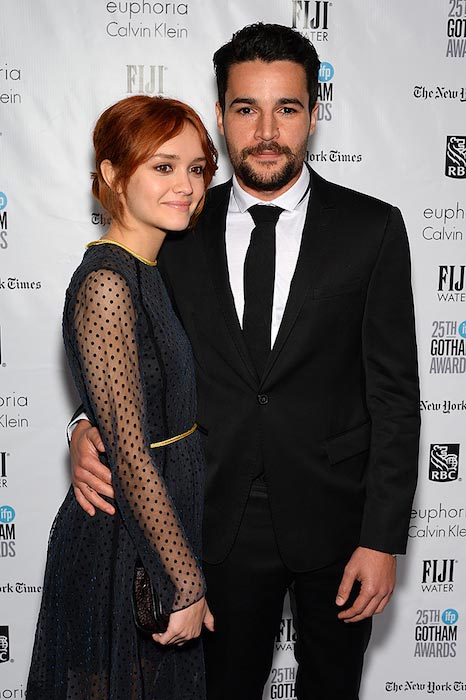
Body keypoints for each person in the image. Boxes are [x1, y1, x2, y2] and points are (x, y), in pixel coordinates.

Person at [69, 23, 420, 700]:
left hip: (337, 521)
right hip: (211, 517)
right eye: (245, 108)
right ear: (223, 115)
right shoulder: (175, 226)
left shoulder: (372, 228)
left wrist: (383, 540)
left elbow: (396, 396)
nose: (267, 130)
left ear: (314, 114)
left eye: (286, 108)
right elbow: (134, 353)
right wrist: (86, 423)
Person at [27, 95, 218, 700]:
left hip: (159, 524)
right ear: (112, 175)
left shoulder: (150, 267)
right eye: (163, 167)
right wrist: (184, 584)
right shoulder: (109, 282)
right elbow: (131, 453)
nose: (185, 185)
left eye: (196, 168)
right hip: (122, 544)